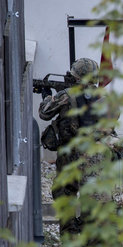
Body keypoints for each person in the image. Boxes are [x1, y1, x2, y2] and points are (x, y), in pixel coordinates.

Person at [39, 57, 100, 237]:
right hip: (94, 156)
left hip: (70, 155)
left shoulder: (66, 95)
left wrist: (46, 97)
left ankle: (71, 242)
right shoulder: (102, 97)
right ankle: (90, 242)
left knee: (65, 198)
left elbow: (44, 113)